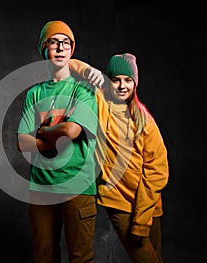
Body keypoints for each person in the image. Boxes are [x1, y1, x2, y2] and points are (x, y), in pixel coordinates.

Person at [17, 20, 102, 263]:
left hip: (77, 187)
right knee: (44, 256)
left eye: (66, 43)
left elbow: (73, 130)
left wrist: (42, 131)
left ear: (72, 50)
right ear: (44, 49)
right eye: (54, 42)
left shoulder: (84, 89)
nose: (60, 47)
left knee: (81, 258)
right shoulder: (35, 93)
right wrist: (54, 137)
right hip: (41, 189)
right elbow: (22, 143)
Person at [71, 53, 169, 263]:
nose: (122, 86)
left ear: (135, 83)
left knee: (154, 258)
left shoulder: (144, 120)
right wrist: (89, 72)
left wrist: (142, 219)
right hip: (119, 201)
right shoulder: (99, 101)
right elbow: (69, 65)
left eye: (128, 80)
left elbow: (157, 171)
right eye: (116, 80)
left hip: (149, 204)